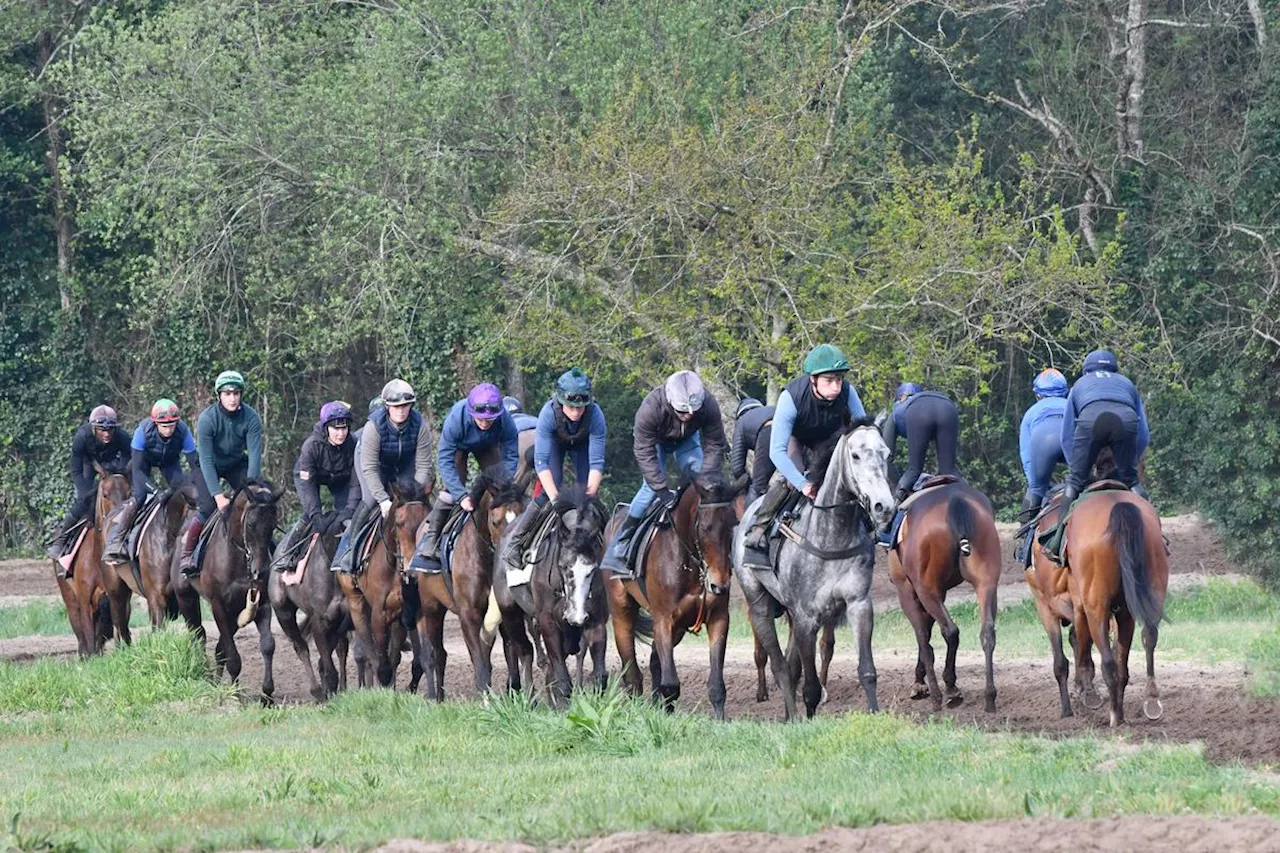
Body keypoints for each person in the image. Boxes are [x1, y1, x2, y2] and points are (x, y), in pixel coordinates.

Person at [741, 345, 866, 567]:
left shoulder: (848, 391)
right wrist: (803, 484)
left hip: (833, 442)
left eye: (839, 379)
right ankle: (759, 529)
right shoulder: (791, 396)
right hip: (797, 441)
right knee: (791, 479)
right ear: (813, 380)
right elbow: (776, 452)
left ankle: (878, 523)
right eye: (829, 380)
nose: (837, 387)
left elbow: (863, 430)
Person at [601, 370, 726, 577]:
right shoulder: (650, 409)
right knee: (649, 490)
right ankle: (622, 543)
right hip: (655, 444)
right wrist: (661, 490)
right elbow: (644, 453)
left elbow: (715, 443)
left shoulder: (709, 404)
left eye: (693, 412)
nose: (689, 416)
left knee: (705, 482)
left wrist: (708, 475)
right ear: (670, 401)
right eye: (683, 412)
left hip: (687, 441)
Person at [1042, 350, 1150, 562]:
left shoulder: (1080, 385)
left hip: (1091, 420)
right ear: (1114, 369)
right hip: (1125, 421)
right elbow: (1143, 433)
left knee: (1074, 482)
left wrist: (1076, 469)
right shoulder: (1127, 383)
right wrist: (1130, 465)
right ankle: (1154, 534)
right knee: (1133, 482)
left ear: (1087, 370)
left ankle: (1057, 542)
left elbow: (1067, 435)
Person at [500, 368, 607, 572]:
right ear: (560, 401)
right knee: (548, 493)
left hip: (583, 446)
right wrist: (557, 501)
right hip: (555, 445)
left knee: (590, 497)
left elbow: (596, 463)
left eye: (580, 408)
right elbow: (541, 462)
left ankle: (611, 546)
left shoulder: (596, 416)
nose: (576, 413)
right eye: (570, 407)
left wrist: (587, 499)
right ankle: (516, 543)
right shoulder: (548, 413)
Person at [411, 383, 519, 573]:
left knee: (505, 489)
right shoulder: (456, 419)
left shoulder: (505, 420)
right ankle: (431, 540)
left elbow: (511, 455)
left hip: (488, 447)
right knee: (450, 493)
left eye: (490, 419)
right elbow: (444, 460)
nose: (485, 423)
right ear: (471, 412)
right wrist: (461, 496)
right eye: (480, 419)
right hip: (459, 448)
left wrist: (505, 483)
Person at [332, 380, 432, 573]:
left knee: (421, 505)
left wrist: (415, 495)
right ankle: (347, 551)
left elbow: (423, 465)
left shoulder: (420, 425)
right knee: (369, 500)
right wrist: (383, 500)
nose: (401, 411)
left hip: (403, 463)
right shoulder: (373, 426)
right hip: (373, 464)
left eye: (405, 406)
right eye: (396, 407)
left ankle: (431, 548)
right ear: (387, 406)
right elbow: (369, 467)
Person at [183, 370, 264, 575]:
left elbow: (254, 456)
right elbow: (207, 460)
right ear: (219, 395)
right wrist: (219, 496)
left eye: (236, 393)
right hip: (209, 465)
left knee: (258, 503)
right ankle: (188, 552)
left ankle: (268, 550)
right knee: (208, 506)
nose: (232, 398)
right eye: (227, 394)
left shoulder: (251, 417)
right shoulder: (207, 419)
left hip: (236, 464)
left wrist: (252, 489)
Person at [103, 399, 200, 564]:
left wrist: (195, 485)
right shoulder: (143, 431)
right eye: (164, 425)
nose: (169, 429)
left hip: (169, 461)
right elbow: (138, 470)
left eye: (172, 425)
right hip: (143, 463)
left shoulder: (183, 430)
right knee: (140, 497)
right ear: (155, 423)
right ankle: (116, 541)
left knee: (188, 493)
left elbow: (194, 463)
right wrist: (155, 491)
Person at [271, 401, 361, 572]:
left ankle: (348, 556)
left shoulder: (354, 443)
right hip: (310, 476)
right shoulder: (311, 446)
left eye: (344, 428)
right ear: (327, 428)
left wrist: (350, 508)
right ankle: (289, 553)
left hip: (341, 477)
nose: (341, 434)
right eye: (336, 429)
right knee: (310, 515)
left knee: (348, 516)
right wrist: (315, 515)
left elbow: (356, 481)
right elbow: (308, 486)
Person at [47, 405, 131, 562]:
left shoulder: (122, 436)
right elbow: (76, 469)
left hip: (112, 464)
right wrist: (85, 492)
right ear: (93, 428)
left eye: (110, 430)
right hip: (88, 465)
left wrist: (119, 474)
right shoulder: (82, 437)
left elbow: (129, 459)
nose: (106, 434)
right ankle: (61, 542)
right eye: (101, 430)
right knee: (84, 501)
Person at [1014, 369, 1069, 565]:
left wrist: (1036, 483)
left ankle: (1025, 545)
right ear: (1064, 392)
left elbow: (1027, 455)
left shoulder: (1031, 413)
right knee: (1082, 483)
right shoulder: (1072, 405)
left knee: (1036, 488)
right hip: (1070, 439)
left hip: (1043, 440)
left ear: (1038, 394)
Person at [880, 382, 961, 502]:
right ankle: (970, 497)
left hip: (919, 412)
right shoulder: (929, 399)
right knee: (950, 471)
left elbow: (886, 458)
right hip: (948, 406)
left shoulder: (896, 412)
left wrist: (898, 482)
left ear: (900, 399)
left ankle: (895, 511)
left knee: (914, 470)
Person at [729, 397, 775, 503]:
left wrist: (749, 484)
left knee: (758, 487)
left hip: (768, 431)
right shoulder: (771, 409)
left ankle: (751, 519)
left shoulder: (741, 423)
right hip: (796, 427)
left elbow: (737, 468)